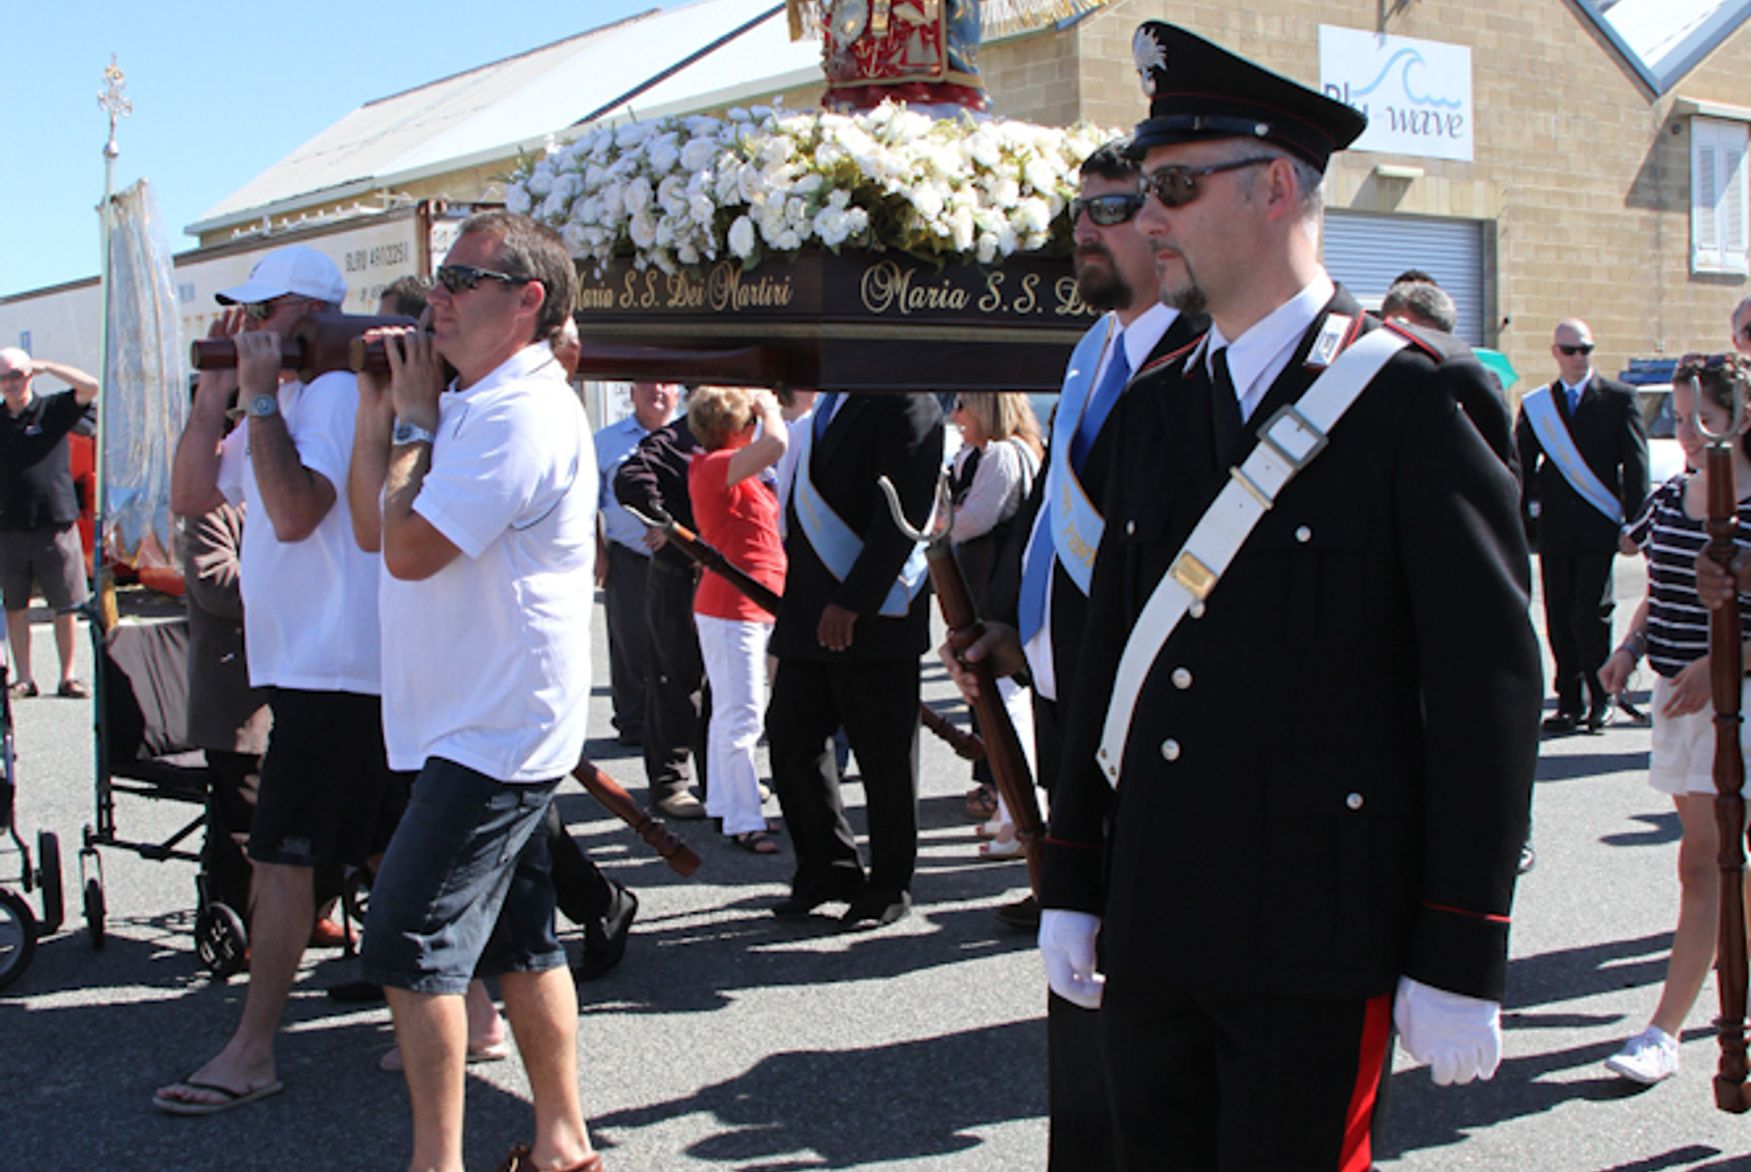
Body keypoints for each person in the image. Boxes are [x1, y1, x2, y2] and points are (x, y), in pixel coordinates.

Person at [1036, 22, 1541, 1167]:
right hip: (1156, 913)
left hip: (1316, 932)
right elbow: (1109, 645)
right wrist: (1072, 873)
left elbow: (1486, 689)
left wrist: (1461, 946)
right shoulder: (1158, 407)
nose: (1146, 218)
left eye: (1172, 184)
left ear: (1274, 187)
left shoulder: (1412, 400)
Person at [942, 134, 1204, 1169]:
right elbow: (1064, 520)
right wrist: (1017, 630)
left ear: (1159, 219)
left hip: (1144, 706)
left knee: (1141, 972)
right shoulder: (1089, 349)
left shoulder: (1194, 354)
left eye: (1107, 208)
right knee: (1076, 954)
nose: (1081, 230)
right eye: (1076, 210)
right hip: (1064, 691)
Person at [352, 210, 601, 1172]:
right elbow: (376, 529)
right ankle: (561, 1143)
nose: (437, 298)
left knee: (410, 946)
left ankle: (437, 1163)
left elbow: (407, 550)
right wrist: (390, 412)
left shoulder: (515, 413)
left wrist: (413, 418)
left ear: (527, 302)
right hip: (476, 718)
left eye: (461, 279)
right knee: (522, 943)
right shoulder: (476, 401)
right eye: (439, 277)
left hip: (489, 729)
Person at [156, 245, 400, 1115]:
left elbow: (296, 514)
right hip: (315, 666)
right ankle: (476, 1012)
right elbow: (191, 498)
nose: (248, 328)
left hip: (337, 667)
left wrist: (256, 397)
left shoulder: (330, 393)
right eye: (245, 315)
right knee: (385, 845)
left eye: (265, 313)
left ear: (312, 314)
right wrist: (214, 398)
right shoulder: (290, 395)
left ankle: (252, 1049)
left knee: (283, 858)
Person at [1600, 353, 1751, 1085]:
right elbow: (1656, 589)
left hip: (1737, 703)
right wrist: (1628, 650)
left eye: (1704, 421)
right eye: (1680, 419)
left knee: (1710, 863)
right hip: (1679, 702)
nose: (1687, 435)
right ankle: (1716, 994)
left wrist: (1724, 662)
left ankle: (1666, 1027)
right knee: (1712, 861)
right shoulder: (1668, 497)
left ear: (1741, 419)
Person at [767, 380, 943, 929]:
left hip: (873, 615)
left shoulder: (907, 398)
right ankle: (827, 868)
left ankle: (889, 886)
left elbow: (904, 515)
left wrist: (853, 602)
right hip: (808, 613)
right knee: (792, 740)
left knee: (884, 761)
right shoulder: (828, 403)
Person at [1515, 318, 1649, 734]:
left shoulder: (1619, 399)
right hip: (1555, 529)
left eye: (1585, 349)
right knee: (1558, 614)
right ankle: (1570, 701)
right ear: (1555, 353)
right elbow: (1519, 467)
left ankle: (1602, 695)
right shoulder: (1539, 404)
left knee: (1590, 613)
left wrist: (1636, 525)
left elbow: (1636, 467)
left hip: (1599, 525)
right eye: (1570, 350)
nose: (1578, 358)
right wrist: (1516, 521)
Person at [686, 385, 787, 854]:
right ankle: (744, 818)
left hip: (754, 603)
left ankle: (726, 806)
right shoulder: (711, 467)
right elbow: (778, 444)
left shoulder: (735, 471)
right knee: (742, 714)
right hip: (733, 605)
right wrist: (769, 408)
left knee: (732, 712)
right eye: (747, 421)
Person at [944, 391, 1041, 861]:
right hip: (998, 593)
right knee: (1004, 705)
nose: (956, 415)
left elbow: (972, 522)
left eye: (964, 404)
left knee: (1006, 707)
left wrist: (941, 519)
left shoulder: (1003, 453)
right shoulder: (1007, 451)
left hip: (996, 597)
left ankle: (1020, 816)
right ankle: (1012, 811)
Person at [614, 405, 711, 820]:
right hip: (681, 573)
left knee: (720, 684)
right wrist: (668, 524)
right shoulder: (675, 438)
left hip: (726, 578)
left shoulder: (749, 434)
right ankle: (670, 783)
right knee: (675, 679)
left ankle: (719, 779)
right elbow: (630, 477)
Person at [0, 346, 98, 698]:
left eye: (17, 375)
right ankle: (24, 678)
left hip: (56, 524)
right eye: (4, 377)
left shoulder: (52, 410)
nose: (11, 384)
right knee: (15, 607)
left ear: (29, 375)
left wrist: (48, 365)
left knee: (66, 604)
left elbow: (91, 387)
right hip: (9, 528)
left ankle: (68, 676)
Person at [595, 383, 680, 746]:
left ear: (678, 393)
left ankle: (678, 722)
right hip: (628, 556)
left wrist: (674, 532)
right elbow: (586, 503)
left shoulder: (693, 433)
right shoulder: (606, 441)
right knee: (630, 640)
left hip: (683, 557)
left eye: (666, 384)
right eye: (648, 384)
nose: (657, 391)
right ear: (632, 393)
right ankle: (633, 722)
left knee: (680, 644)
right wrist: (598, 553)